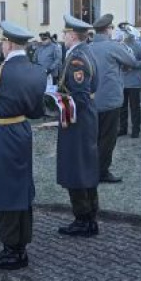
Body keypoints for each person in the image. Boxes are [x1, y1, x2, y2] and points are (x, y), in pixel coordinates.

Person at [0, 21, 47, 270]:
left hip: (3, 132)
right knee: (21, 189)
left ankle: (11, 249)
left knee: (6, 190)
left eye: (3, 41)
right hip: (23, 130)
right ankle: (20, 244)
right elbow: (36, 111)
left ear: (9, 44)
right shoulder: (37, 71)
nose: (2, 45)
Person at [55, 14, 100, 237]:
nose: (63, 36)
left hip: (77, 120)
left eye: (65, 33)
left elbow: (79, 97)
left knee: (77, 169)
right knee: (86, 167)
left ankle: (83, 219)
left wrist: (56, 101)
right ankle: (90, 217)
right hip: (86, 118)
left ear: (72, 35)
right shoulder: (86, 52)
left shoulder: (76, 59)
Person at [89, 13, 137, 183]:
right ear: (108, 29)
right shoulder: (112, 46)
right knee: (108, 139)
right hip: (110, 100)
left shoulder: (88, 47)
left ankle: (90, 169)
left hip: (91, 100)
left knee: (93, 138)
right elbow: (132, 61)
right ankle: (102, 172)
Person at [117, 23, 141, 138]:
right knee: (122, 107)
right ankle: (123, 128)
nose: (125, 34)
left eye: (127, 32)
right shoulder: (119, 46)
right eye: (123, 32)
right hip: (122, 81)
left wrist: (134, 65)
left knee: (135, 107)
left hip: (134, 82)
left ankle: (136, 129)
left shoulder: (139, 46)